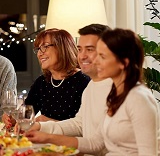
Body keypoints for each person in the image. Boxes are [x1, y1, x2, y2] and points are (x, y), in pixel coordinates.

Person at [25, 28, 159, 155]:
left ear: (123, 63)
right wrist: (45, 135)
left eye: (102, 56)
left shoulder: (139, 98)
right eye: (80, 49)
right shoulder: (109, 92)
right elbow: (95, 142)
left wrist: (46, 133)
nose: (95, 61)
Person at [27, 24, 112, 156]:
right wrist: (41, 127)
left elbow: (97, 144)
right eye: (80, 49)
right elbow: (79, 124)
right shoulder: (92, 86)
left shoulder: (117, 90)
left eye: (89, 49)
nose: (82, 56)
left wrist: (47, 134)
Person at [18, 29, 90, 123]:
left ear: (62, 48)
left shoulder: (84, 81)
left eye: (45, 46)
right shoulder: (42, 82)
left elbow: (86, 127)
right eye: (38, 49)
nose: (39, 53)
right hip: (44, 137)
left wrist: (49, 122)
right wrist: (12, 118)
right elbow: (25, 115)